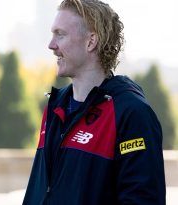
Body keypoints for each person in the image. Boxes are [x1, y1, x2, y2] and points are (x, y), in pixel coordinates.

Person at [23, 0, 165, 204]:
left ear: (91, 41)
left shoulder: (131, 113)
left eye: (60, 34)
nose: (51, 45)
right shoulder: (55, 107)